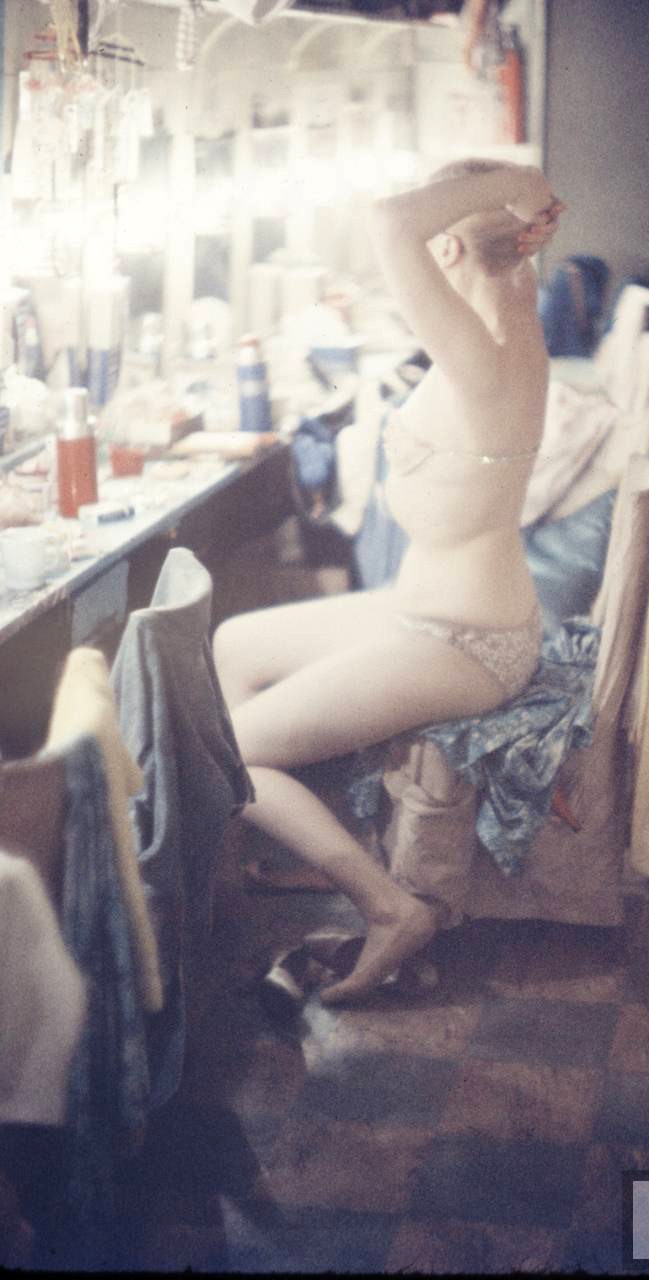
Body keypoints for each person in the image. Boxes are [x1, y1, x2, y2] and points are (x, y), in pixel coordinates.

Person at [213, 159, 564, 1003]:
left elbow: (389, 218)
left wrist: (515, 180)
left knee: (234, 750)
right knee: (233, 642)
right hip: (440, 610)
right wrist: (518, 200)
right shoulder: (505, 312)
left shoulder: (481, 354)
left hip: (463, 639)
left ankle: (388, 906)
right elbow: (468, 232)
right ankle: (285, 843)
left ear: (447, 249)